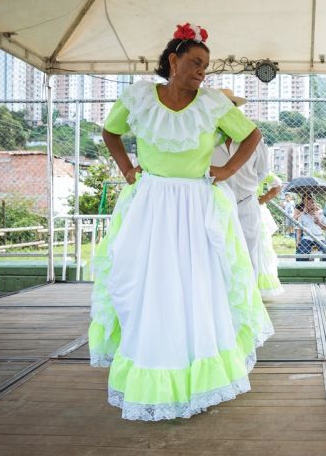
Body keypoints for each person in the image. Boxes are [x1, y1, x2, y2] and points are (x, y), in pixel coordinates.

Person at [88, 22, 273, 421]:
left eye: (206, 65)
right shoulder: (138, 96)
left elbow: (253, 135)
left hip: (196, 203)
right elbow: (110, 132)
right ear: (173, 61)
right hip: (151, 202)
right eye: (195, 62)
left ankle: (200, 375)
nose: (202, 71)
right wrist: (125, 168)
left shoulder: (213, 103)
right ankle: (153, 366)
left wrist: (227, 171)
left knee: (198, 283)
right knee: (146, 282)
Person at [211, 89, 270, 267]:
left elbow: (262, 171)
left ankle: (248, 295)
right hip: (214, 206)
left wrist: (246, 189)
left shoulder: (254, 141)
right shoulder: (204, 139)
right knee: (216, 256)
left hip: (246, 204)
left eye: (231, 107)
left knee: (248, 257)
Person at [254, 172, 284, 296]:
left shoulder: (259, 168)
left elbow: (277, 184)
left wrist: (263, 199)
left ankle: (258, 285)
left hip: (255, 208)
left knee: (260, 246)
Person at [295, 193, 326, 260]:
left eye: (312, 203)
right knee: (302, 253)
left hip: (319, 237)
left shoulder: (320, 214)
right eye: (308, 203)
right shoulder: (302, 215)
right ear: (306, 205)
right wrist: (298, 240)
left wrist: (319, 223)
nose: (310, 204)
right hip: (307, 237)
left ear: (315, 204)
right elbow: (299, 229)